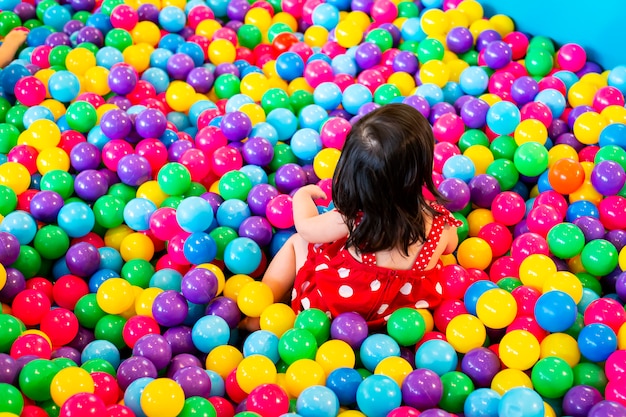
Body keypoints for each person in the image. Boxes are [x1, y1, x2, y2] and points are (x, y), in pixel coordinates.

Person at [246, 103, 462, 331]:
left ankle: (257, 315)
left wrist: (302, 196)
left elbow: (306, 229)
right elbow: (450, 248)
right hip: (396, 324)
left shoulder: (353, 219)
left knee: (297, 243)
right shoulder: (442, 225)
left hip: (330, 317)